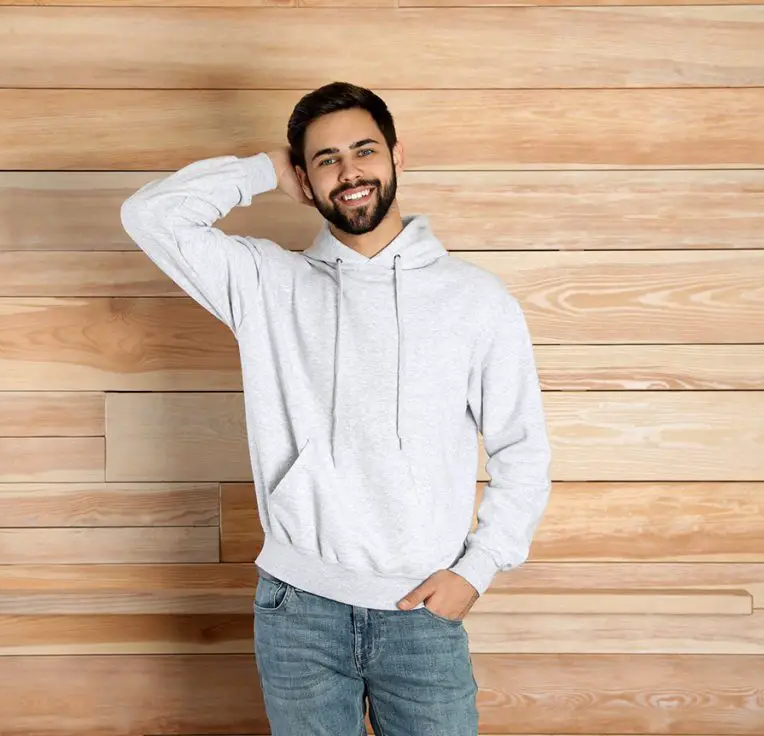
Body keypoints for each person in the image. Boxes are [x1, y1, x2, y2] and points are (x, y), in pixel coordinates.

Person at [120, 81, 552, 736]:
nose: (349, 172)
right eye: (326, 159)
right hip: (301, 614)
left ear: (397, 156)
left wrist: (478, 570)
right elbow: (150, 217)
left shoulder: (476, 301)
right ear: (306, 178)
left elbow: (524, 451)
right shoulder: (268, 283)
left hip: (423, 613)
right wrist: (265, 168)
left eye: (363, 150)